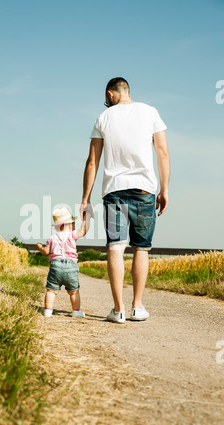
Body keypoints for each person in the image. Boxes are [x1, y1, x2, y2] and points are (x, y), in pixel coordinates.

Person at [80, 77, 170, 324]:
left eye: (105, 98)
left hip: (114, 192)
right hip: (145, 190)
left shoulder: (103, 118)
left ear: (111, 94)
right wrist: (165, 189)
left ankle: (118, 310)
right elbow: (162, 152)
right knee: (141, 249)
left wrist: (85, 199)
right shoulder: (150, 112)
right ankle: (137, 307)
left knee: (115, 247)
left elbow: (92, 162)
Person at [36, 206, 90, 318]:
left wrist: (40, 247)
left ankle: (48, 311)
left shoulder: (52, 238)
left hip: (55, 266)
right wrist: (86, 217)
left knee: (51, 291)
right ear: (70, 225)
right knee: (74, 291)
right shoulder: (72, 235)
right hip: (71, 267)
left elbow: (46, 252)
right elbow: (83, 230)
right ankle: (76, 311)